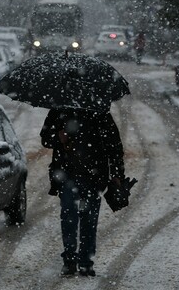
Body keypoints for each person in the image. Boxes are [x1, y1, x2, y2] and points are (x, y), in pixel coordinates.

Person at [40, 108, 125, 277]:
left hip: (93, 177)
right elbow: (45, 138)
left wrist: (117, 174)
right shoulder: (58, 111)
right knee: (69, 217)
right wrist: (58, 137)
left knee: (89, 220)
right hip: (67, 175)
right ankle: (71, 260)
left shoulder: (100, 113)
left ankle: (85, 262)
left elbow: (114, 145)